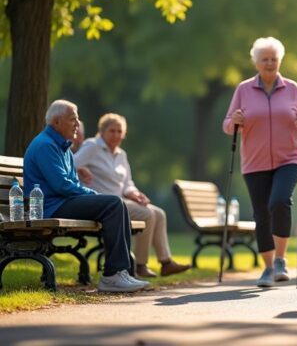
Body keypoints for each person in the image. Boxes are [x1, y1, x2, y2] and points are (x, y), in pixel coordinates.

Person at [23, 100, 149, 292]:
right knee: (113, 204)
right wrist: (93, 194)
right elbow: (62, 185)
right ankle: (112, 276)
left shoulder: (62, 146)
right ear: (56, 122)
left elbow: (70, 182)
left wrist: (91, 195)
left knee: (117, 204)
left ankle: (121, 272)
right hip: (50, 206)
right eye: (73, 119)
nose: (77, 123)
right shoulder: (45, 145)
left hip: (62, 202)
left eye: (77, 118)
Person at [223, 36, 297, 287]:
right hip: (254, 162)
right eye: (265, 59)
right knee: (261, 214)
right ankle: (266, 268)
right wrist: (236, 120)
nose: (270, 63)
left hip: (290, 158)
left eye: (274, 59)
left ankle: (280, 260)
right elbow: (228, 124)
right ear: (256, 62)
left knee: (279, 201)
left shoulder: (293, 88)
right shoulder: (243, 90)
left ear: (279, 61)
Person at [74, 113, 191, 278]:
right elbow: (70, 162)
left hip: (121, 200)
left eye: (119, 131)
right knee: (147, 214)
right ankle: (140, 265)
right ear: (102, 131)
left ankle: (166, 263)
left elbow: (127, 182)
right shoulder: (92, 146)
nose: (116, 135)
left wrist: (135, 194)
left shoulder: (121, 154)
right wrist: (80, 169)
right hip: (103, 203)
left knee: (159, 213)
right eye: (111, 131)